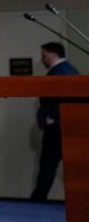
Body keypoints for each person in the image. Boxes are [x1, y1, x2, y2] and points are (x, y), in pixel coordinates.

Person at [30, 41, 80, 201]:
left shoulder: (61, 72)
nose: (42, 59)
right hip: (65, 125)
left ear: (52, 54)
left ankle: (38, 200)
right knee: (54, 166)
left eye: (44, 55)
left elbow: (71, 99)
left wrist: (53, 118)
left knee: (48, 165)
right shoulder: (68, 70)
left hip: (58, 126)